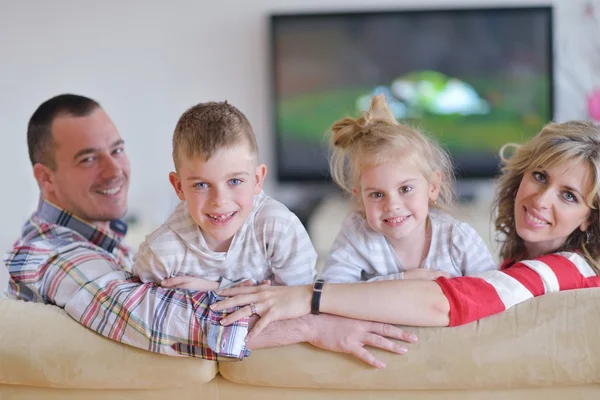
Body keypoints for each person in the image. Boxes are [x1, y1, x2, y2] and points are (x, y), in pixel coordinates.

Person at [3, 93, 415, 369]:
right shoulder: (49, 253)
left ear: (257, 179)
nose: (115, 170)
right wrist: (313, 326)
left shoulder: (105, 242)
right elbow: (155, 316)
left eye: (117, 150)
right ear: (47, 179)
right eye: (88, 158)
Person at [212, 120, 600, 340]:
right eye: (539, 176)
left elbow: (448, 301)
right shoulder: (518, 262)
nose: (541, 199)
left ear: (590, 217)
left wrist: (309, 298)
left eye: (569, 196)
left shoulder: (571, 270)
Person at [131, 101, 316, 290]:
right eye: (202, 185)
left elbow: (301, 300)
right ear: (179, 187)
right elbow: (135, 303)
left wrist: (215, 289)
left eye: (234, 181)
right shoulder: (161, 253)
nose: (219, 200)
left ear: (257, 180)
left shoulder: (279, 228)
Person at [321, 94, 496, 283]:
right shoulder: (357, 235)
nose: (392, 205)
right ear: (360, 198)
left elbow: (493, 293)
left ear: (433, 187)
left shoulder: (458, 240)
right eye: (377, 194)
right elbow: (330, 294)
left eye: (405, 189)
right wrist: (404, 280)